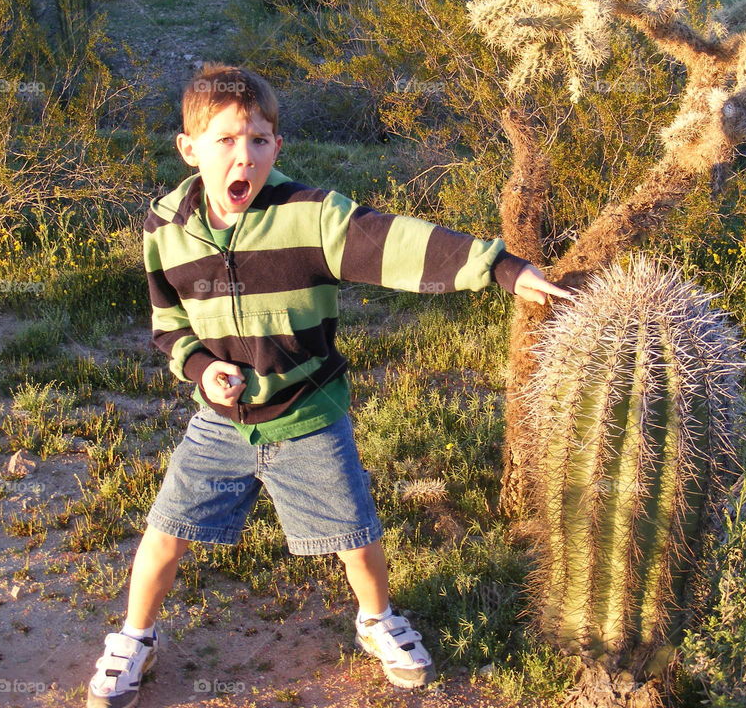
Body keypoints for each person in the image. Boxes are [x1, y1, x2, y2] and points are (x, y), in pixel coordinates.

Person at [86, 62, 569, 708]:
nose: (244, 155)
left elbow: (395, 241)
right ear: (189, 148)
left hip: (310, 413)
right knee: (164, 533)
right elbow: (167, 325)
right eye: (226, 140)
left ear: (277, 147)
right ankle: (134, 637)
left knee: (357, 539)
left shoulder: (310, 216)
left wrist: (499, 266)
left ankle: (377, 621)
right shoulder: (165, 226)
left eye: (259, 140)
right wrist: (203, 369)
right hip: (221, 423)